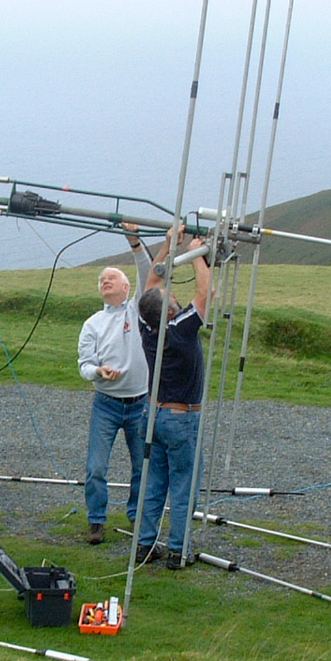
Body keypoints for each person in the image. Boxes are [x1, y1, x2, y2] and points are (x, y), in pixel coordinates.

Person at [134, 230, 210, 569]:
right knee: (183, 487)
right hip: (181, 418)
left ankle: (146, 545)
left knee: (155, 483)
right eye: (170, 296)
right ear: (169, 311)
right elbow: (206, 292)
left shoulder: (146, 325)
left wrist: (169, 244)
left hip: (153, 415)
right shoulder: (180, 328)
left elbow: (152, 278)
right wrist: (197, 255)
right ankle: (179, 551)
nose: (173, 294)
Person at [76, 225, 156, 543]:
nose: (105, 281)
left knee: (142, 466)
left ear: (126, 288)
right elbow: (84, 366)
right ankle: (96, 520)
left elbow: (147, 271)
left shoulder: (138, 309)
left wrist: (134, 241)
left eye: (112, 278)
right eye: (101, 281)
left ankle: (136, 517)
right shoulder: (92, 323)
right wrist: (99, 372)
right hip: (106, 403)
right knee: (96, 467)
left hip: (140, 402)